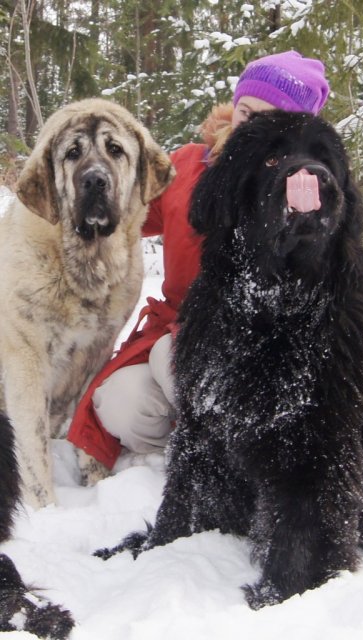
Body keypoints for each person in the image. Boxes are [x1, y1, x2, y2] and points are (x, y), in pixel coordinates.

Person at [67, 51, 330, 470]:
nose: (253, 127)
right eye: (247, 112)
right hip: (175, 327)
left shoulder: (303, 186)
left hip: (254, 342)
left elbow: (342, 264)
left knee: (172, 355)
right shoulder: (191, 163)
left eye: (271, 118)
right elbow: (130, 212)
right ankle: (192, 445)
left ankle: (242, 456)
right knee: (120, 404)